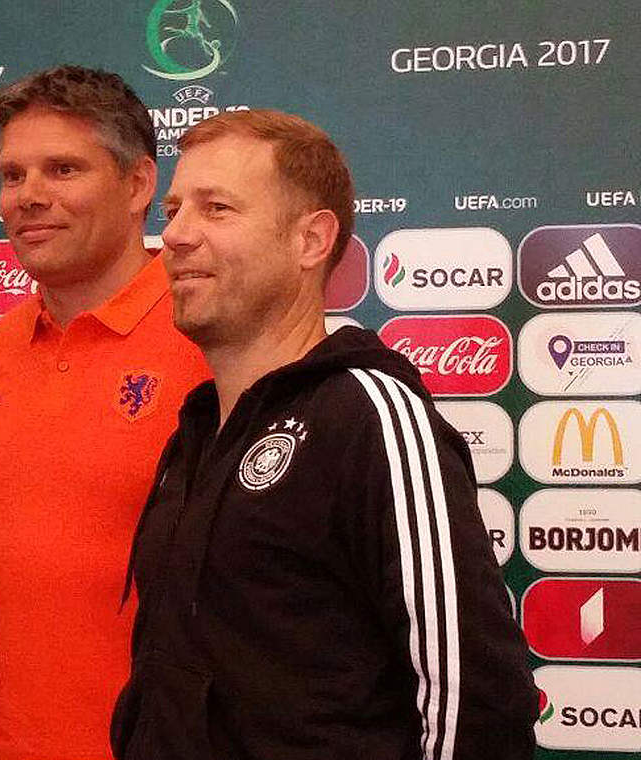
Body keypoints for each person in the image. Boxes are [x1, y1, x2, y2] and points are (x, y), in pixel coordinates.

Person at [111, 109, 536, 759]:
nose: (175, 236)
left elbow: (477, 705)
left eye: (216, 208)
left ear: (311, 241)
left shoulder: (368, 416)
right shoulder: (196, 432)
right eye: (172, 211)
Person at [0, 65, 211, 760]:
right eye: (13, 176)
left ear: (138, 185)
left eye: (63, 169)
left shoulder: (213, 337)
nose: (29, 197)